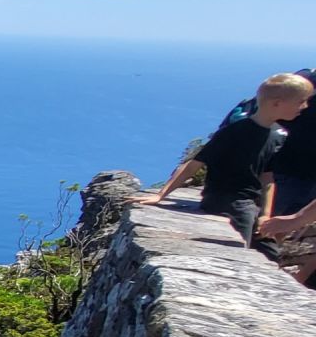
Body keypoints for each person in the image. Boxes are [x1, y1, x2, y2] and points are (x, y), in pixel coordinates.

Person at [130, 73, 314, 245]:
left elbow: (267, 179)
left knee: (269, 248)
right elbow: (194, 164)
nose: (305, 106)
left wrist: (266, 215)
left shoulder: (278, 135)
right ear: (277, 103)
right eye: (301, 101)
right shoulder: (234, 132)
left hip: (250, 203)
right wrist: (161, 195)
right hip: (226, 199)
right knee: (241, 243)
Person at [270, 69, 316, 215]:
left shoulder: (307, 82)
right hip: (290, 169)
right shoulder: (308, 85)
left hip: (291, 168)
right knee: (271, 223)